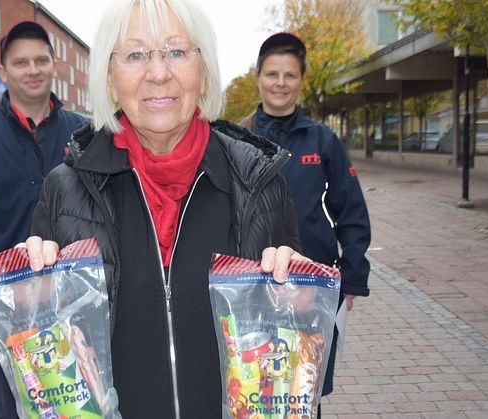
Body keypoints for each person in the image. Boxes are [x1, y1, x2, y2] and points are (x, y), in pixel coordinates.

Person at [24, 0, 306, 417]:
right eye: (136, 55)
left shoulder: (259, 184)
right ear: (109, 77)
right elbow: (49, 351)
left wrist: (298, 297)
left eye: (176, 51)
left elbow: (291, 349)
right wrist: (33, 296)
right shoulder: (64, 190)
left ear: (204, 71)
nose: (158, 73)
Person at [0, 21, 87, 419]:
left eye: (41, 59)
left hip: (71, 291)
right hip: (5, 297)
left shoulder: (83, 133)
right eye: (21, 62)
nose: (33, 69)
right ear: (4, 70)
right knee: (10, 405)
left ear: (54, 64)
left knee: (79, 397)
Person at [240, 32, 372, 416]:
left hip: (311, 285)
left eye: (290, 75)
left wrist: (352, 278)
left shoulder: (322, 140)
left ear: (301, 80)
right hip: (253, 284)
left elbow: (352, 212)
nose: (280, 83)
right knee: (255, 385)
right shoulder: (237, 138)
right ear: (258, 78)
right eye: (272, 74)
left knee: (304, 387)